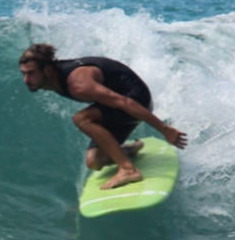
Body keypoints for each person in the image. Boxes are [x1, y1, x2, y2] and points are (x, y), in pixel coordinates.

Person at [18, 43, 187, 189]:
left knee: (81, 118)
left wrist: (164, 129)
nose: (26, 79)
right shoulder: (52, 77)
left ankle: (128, 170)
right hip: (114, 108)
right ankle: (129, 150)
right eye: (24, 73)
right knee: (94, 162)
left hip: (136, 100)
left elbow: (123, 102)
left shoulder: (78, 84)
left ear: (47, 70)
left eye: (31, 73)